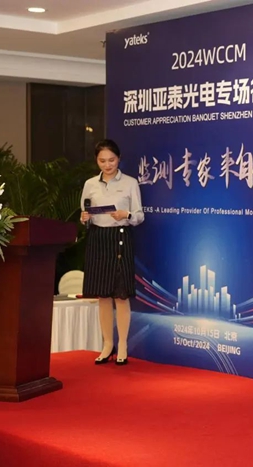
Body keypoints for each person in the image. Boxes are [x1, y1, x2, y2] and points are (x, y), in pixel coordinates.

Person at [80, 139, 145, 366]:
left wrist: (126, 215)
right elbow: (85, 212)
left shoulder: (130, 183)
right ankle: (107, 344)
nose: (107, 165)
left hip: (120, 238)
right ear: (96, 161)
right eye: (102, 161)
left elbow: (139, 216)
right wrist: (84, 218)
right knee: (103, 295)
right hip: (98, 239)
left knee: (121, 294)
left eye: (111, 160)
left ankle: (123, 344)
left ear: (119, 159)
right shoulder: (90, 184)